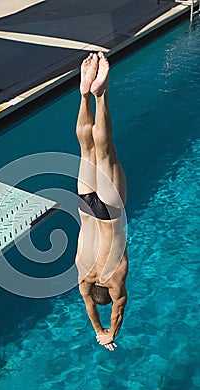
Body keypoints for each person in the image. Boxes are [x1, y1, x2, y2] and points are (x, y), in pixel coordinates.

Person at [75, 52, 128, 352]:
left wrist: (111, 333)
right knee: (86, 150)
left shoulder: (114, 277)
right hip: (85, 206)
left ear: (106, 291)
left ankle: (100, 95)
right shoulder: (82, 276)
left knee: (104, 152)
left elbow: (117, 310)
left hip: (109, 212)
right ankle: (83, 96)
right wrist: (97, 329)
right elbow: (90, 307)